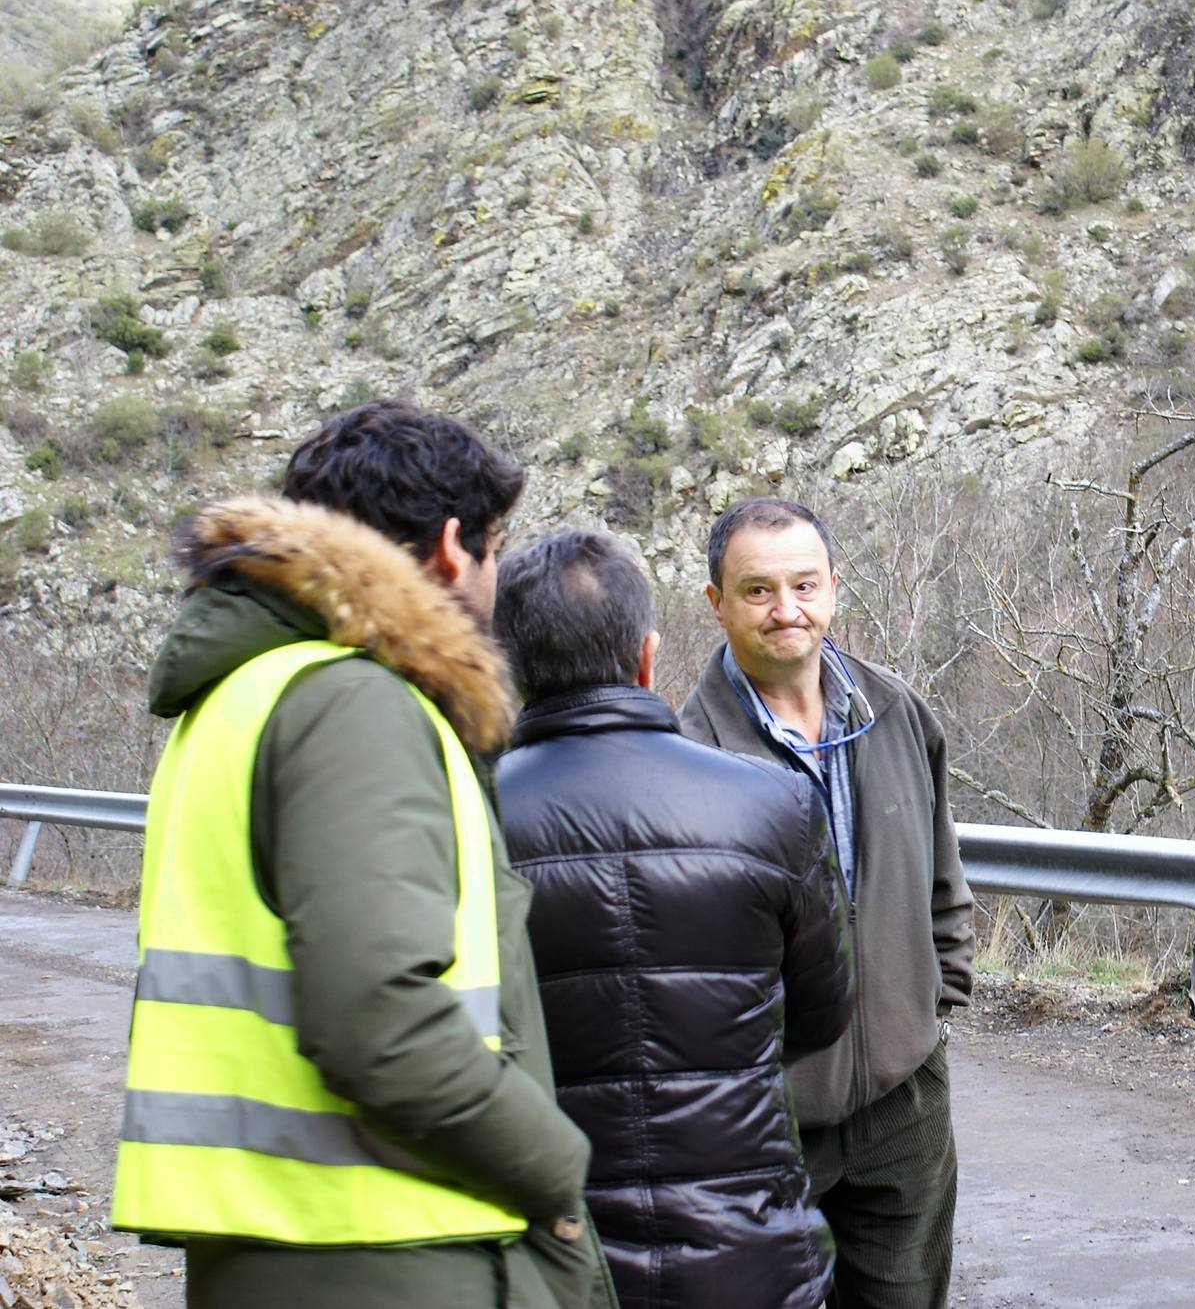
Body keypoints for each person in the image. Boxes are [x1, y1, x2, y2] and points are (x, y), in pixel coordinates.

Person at [111, 401, 613, 1309]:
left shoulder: (243, 692)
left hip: (287, 1240)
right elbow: (378, 1019)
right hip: (393, 1244)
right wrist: (552, 1166)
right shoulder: (355, 703)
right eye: (496, 552)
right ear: (456, 548)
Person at [492, 527, 855, 1309]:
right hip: (751, 1246)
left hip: (560, 1254)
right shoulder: (773, 802)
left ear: (509, 664)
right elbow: (822, 1013)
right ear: (647, 654)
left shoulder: (465, 813)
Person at [678, 498, 974, 1309]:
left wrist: (932, 1003)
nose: (787, 610)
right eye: (758, 590)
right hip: (759, 1118)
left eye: (804, 585)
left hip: (904, 1102)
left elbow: (942, 875)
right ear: (716, 602)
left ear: (834, 588)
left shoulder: (897, 713)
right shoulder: (684, 757)